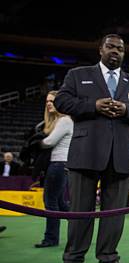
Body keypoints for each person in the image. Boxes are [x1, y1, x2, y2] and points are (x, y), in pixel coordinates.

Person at [53, 34, 129, 263]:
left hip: (120, 155)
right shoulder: (78, 75)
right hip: (85, 152)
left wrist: (127, 110)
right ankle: (73, 258)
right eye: (111, 47)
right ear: (100, 49)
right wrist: (93, 106)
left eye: (120, 48)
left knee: (114, 213)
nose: (115, 51)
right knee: (79, 210)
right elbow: (62, 101)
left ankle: (108, 256)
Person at [35, 91, 74, 248]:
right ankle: (83, 222)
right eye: (47, 101)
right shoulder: (59, 120)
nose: (49, 103)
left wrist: (35, 142)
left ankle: (51, 238)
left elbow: (49, 142)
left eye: (52, 100)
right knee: (60, 203)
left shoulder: (64, 120)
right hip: (60, 165)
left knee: (50, 201)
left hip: (58, 164)